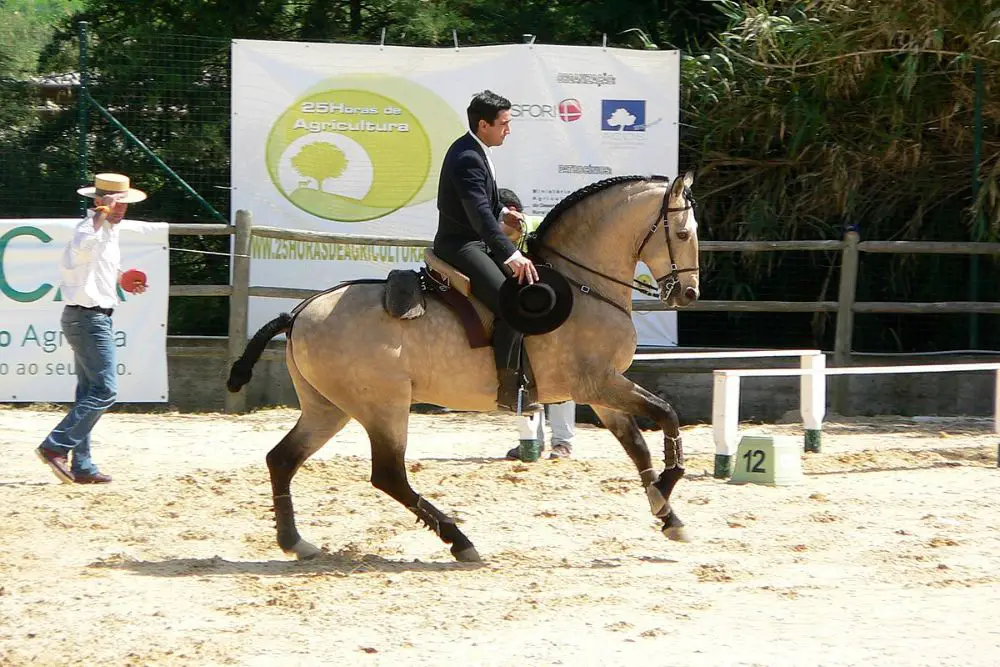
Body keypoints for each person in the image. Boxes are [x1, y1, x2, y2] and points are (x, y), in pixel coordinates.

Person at [35, 173, 148, 484]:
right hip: (88, 319)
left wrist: (121, 277)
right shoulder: (90, 227)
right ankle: (54, 446)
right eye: (116, 202)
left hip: (89, 317)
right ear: (100, 202)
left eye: (124, 203)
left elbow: (95, 265)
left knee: (89, 390)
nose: (122, 208)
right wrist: (101, 214)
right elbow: (83, 247)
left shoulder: (108, 232)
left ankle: (82, 464)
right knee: (105, 390)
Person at [434, 90, 540, 412]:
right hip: (460, 246)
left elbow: (484, 206)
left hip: (474, 240)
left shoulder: (475, 150)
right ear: (484, 125)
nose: (509, 130)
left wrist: (504, 215)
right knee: (510, 303)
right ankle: (509, 391)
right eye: (504, 124)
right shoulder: (467, 157)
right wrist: (511, 254)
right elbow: (478, 215)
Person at [495, 187, 577, 461]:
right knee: (526, 376)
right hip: (524, 313)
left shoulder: (538, 227)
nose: (500, 227)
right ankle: (530, 441)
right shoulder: (494, 241)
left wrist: (520, 223)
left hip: (555, 310)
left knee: (561, 375)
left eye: (503, 219)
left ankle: (563, 441)